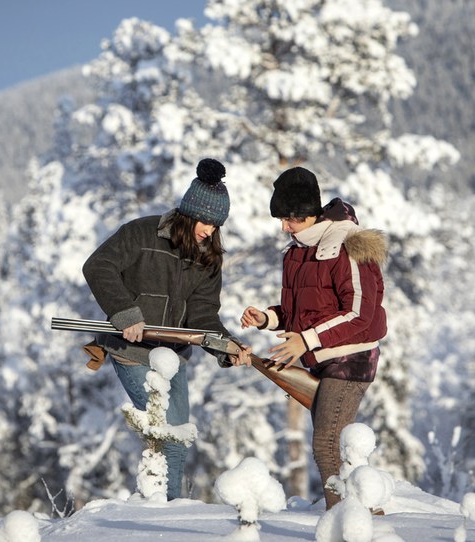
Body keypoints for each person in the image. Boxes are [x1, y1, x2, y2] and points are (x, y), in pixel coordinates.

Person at [83, 158, 251, 501]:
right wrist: (125, 313)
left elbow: (203, 315)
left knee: (177, 441)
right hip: (130, 352)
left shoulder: (209, 258)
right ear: (189, 212)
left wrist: (227, 347)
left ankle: (168, 509)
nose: (210, 229)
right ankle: (158, 509)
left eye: (216, 224)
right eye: (205, 220)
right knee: (162, 434)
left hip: (172, 356)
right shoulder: (141, 233)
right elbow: (98, 267)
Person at [240, 166, 388, 510]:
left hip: (352, 358)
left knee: (327, 445)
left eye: (288, 219)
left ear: (306, 213)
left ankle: (345, 518)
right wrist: (268, 318)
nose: (283, 227)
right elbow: (305, 309)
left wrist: (304, 341)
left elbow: (358, 313)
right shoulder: (297, 252)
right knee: (336, 446)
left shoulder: (348, 245)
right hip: (321, 358)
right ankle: (362, 510)